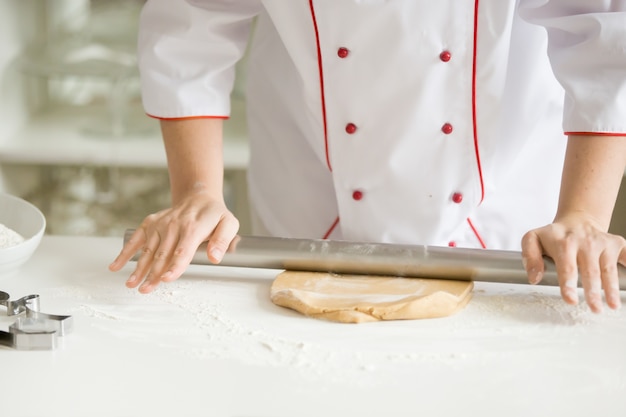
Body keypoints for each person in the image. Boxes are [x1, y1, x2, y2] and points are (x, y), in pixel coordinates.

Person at [109, 0, 626, 313]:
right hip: (310, 184)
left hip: (500, 204)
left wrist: (583, 214)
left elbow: (605, 34)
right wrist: (197, 192)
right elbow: (190, 22)